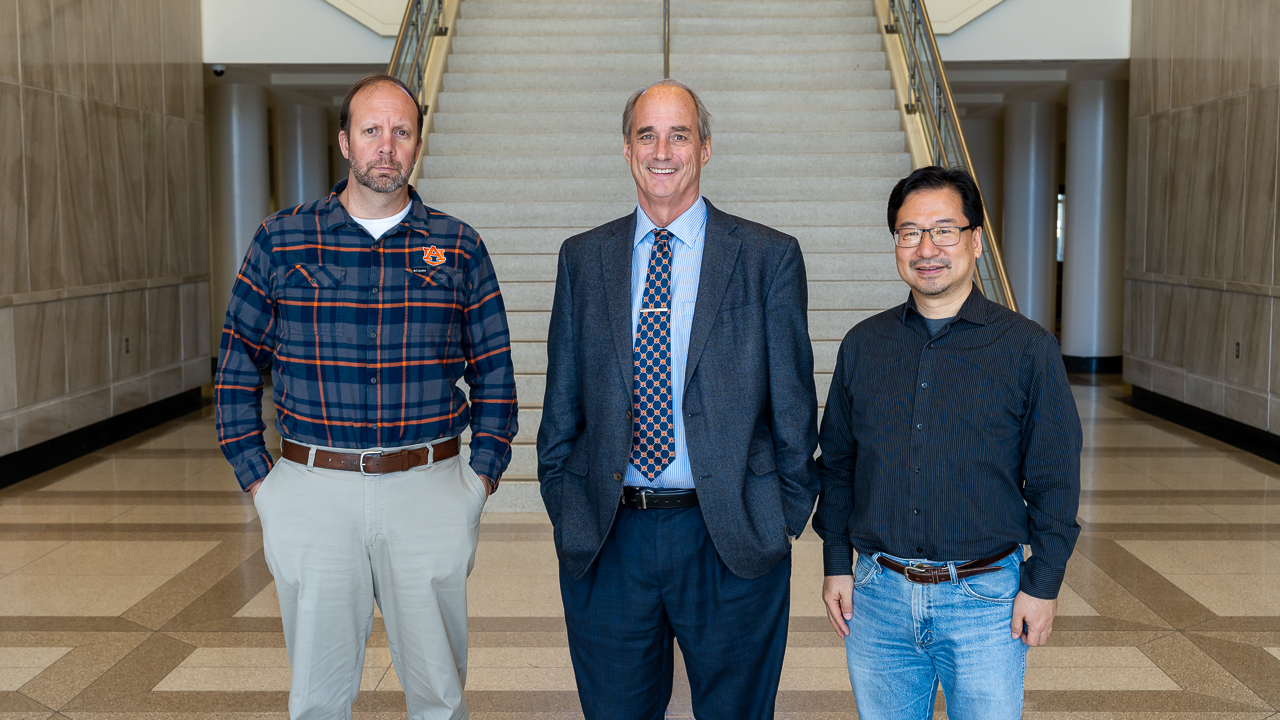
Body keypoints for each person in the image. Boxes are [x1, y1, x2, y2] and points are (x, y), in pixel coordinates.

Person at [215, 74, 517, 720]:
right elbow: (237, 362)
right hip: (312, 488)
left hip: (429, 488)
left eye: (402, 132)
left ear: (416, 143)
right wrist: (261, 484)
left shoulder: (459, 247)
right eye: (372, 131)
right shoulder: (283, 239)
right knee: (319, 702)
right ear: (345, 142)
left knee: (439, 695)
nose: (387, 146)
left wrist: (479, 481)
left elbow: (496, 372)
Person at [536, 79, 820, 720]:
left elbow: (794, 407)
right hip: (611, 535)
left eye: (679, 134)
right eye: (647, 135)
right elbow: (562, 403)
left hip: (731, 535)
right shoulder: (584, 258)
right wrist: (566, 502)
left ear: (706, 148)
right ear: (628, 149)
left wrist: (779, 519)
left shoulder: (768, 257)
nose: (662, 150)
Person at [813, 165, 1082, 720]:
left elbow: (1056, 476)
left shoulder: (1027, 349)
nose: (926, 247)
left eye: (944, 229)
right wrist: (836, 562)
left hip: (986, 601)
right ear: (895, 245)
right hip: (878, 596)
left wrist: (1044, 583)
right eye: (909, 232)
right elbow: (839, 465)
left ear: (975, 241)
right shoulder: (865, 345)